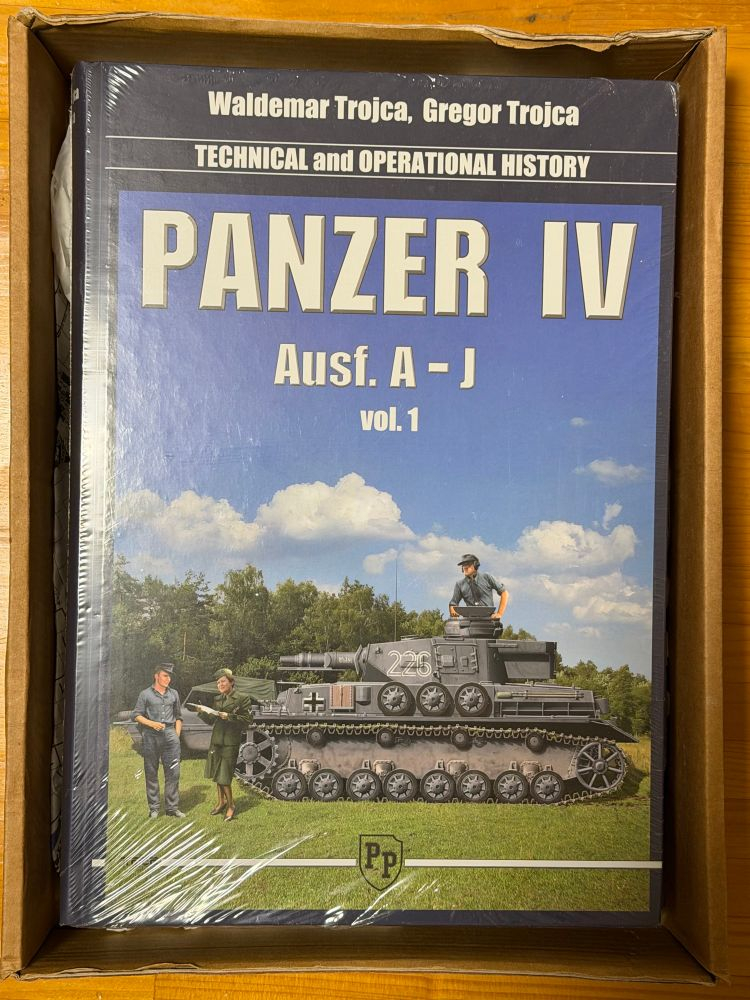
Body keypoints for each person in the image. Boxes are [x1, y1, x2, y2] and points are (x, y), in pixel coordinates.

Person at [196, 668, 253, 822]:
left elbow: (247, 721)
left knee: (224, 775)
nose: (220, 685)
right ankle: (221, 802)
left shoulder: (242, 698)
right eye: (218, 683)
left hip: (230, 742)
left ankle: (231, 805)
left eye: (223, 681)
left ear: (231, 682)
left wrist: (229, 716)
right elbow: (211, 721)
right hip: (216, 741)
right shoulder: (217, 699)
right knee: (217, 773)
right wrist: (201, 711)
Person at [132, 663, 185, 819]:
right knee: (151, 772)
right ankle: (154, 808)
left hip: (170, 735)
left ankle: (172, 808)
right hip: (150, 735)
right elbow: (136, 715)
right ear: (156, 676)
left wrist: (176, 735)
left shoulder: (174, 694)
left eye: (169, 676)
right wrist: (152, 724)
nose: (168, 679)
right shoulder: (145, 694)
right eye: (165, 676)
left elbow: (178, 717)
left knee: (173, 772)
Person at [449, 553, 508, 620]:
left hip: (489, 619)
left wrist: (499, 613)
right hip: (470, 620)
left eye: (468, 564)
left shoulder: (486, 577)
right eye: (463, 565)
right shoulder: (459, 584)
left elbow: (504, 593)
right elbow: (453, 603)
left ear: (476, 566)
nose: (465, 567)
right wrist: (454, 614)